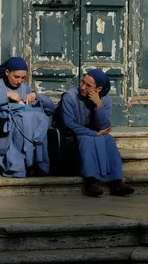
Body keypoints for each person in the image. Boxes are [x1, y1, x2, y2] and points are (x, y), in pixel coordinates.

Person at [56, 69, 134, 197]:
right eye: (83, 82)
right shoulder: (70, 96)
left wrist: (98, 106)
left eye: (88, 86)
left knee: (108, 139)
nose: (83, 87)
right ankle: (91, 182)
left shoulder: (105, 100)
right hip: (72, 137)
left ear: (98, 89)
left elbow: (103, 126)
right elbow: (68, 124)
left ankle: (117, 182)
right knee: (87, 139)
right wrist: (92, 134)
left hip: (94, 136)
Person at [0, 57, 56, 178]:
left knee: (38, 118)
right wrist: (6, 95)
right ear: (7, 72)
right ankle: (19, 167)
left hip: (26, 136)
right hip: (2, 137)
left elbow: (50, 110)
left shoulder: (25, 88)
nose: (19, 81)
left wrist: (37, 95)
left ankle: (37, 165)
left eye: (23, 78)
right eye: (16, 77)